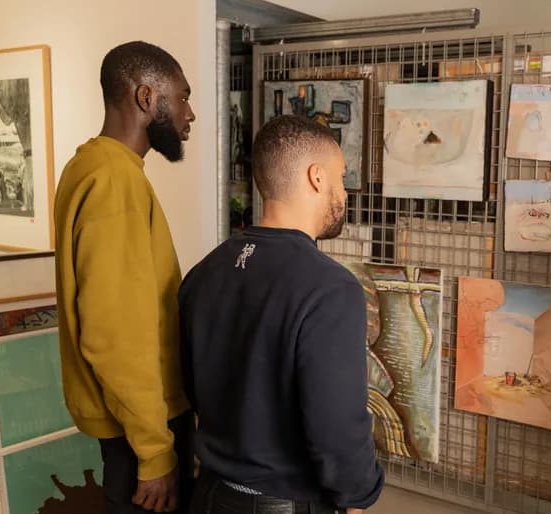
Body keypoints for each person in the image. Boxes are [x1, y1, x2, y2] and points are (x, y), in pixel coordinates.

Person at [179, 114, 383, 514]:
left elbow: (190, 386)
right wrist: (358, 495)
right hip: (286, 504)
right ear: (317, 177)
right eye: (341, 177)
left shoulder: (203, 273)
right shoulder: (331, 289)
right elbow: (337, 425)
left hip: (208, 496)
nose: (344, 192)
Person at [53, 41, 196, 514]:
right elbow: (115, 333)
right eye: (182, 97)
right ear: (146, 97)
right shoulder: (115, 179)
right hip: (141, 433)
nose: (189, 114)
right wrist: (155, 453)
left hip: (134, 423)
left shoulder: (92, 166)